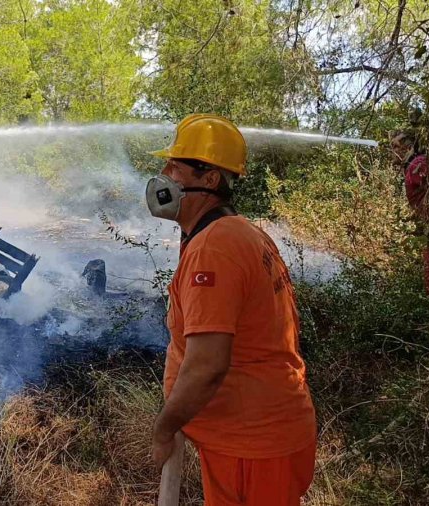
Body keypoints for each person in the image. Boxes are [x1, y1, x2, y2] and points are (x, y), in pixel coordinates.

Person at [146, 114, 317, 505]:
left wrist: (164, 428)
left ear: (209, 179)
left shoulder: (215, 248)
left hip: (251, 445)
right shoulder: (240, 233)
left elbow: (207, 366)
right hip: (254, 437)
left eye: (176, 165)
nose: (164, 174)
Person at [389, 131, 429, 297]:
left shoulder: (418, 165)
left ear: (409, 147)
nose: (392, 151)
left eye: (396, 146)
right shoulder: (414, 166)